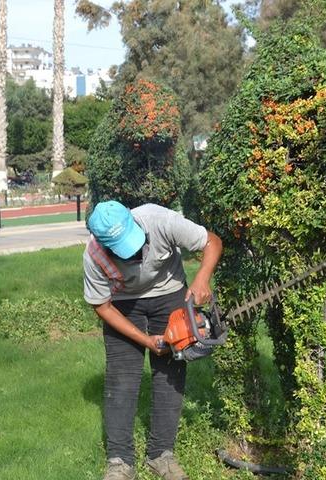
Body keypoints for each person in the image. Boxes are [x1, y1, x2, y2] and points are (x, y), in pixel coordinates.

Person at [83, 200, 222, 480]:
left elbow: (212, 241)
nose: (135, 253)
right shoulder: (93, 256)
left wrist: (202, 278)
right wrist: (145, 340)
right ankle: (120, 462)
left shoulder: (160, 221)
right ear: (105, 245)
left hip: (169, 291)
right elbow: (102, 307)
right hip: (122, 301)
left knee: (170, 372)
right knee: (121, 378)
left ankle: (161, 454)